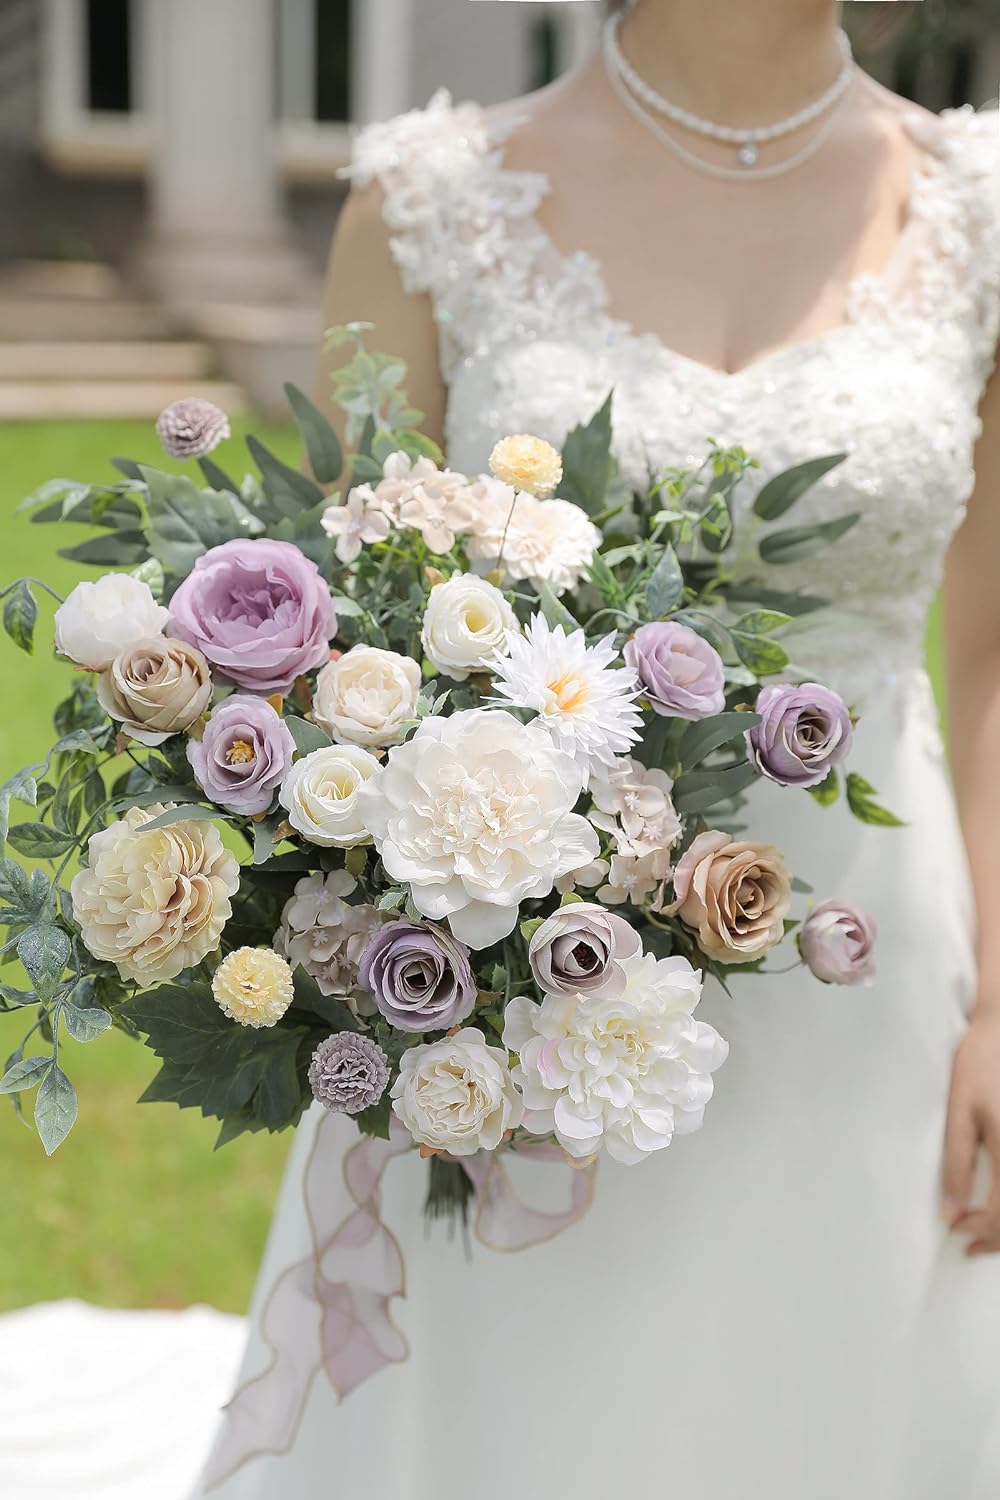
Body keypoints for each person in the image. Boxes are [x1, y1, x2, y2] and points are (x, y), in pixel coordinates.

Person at [194, 2, 1000, 1496]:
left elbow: (997, 646)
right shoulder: (432, 199)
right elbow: (359, 629)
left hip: (871, 964)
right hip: (522, 978)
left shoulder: (981, 207)